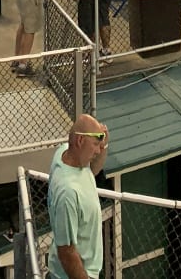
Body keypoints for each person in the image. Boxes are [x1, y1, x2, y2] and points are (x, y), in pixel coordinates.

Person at [49, 114, 108, 279]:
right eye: (95, 144)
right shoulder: (68, 192)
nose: (98, 150)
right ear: (80, 141)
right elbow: (66, 252)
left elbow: (94, 170)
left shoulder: (64, 153)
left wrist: (103, 145)